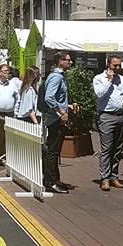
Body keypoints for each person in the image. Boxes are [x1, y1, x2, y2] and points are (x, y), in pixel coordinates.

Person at [93, 55, 123, 192]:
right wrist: (109, 81)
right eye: (115, 65)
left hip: (120, 116)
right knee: (106, 148)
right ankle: (105, 178)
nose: (118, 68)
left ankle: (113, 176)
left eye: (119, 65)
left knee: (117, 149)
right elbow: (99, 94)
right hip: (106, 116)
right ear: (108, 65)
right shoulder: (99, 78)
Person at [42, 54, 74, 194]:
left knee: (54, 150)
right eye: (68, 60)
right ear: (60, 62)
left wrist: (67, 106)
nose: (70, 62)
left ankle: (55, 179)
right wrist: (61, 112)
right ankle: (50, 181)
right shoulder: (56, 77)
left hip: (56, 118)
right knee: (53, 151)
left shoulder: (59, 76)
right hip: (56, 119)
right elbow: (49, 97)